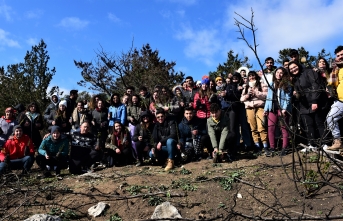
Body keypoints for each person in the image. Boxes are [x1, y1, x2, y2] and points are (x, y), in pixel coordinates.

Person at [289, 61, 327, 151]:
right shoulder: (295, 79)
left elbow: (316, 85)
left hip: (315, 101)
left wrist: (315, 101)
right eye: (291, 69)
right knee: (308, 125)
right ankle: (312, 144)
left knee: (319, 123)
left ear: (298, 65)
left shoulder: (309, 72)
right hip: (304, 105)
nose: (293, 69)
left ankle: (325, 143)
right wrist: (296, 93)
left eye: (294, 67)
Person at [264, 67, 293, 156]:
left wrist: (284, 109)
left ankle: (285, 147)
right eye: (277, 72)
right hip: (272, 109)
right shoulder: (272, 84)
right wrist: (266, 109)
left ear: (284, 75)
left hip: (282, 109)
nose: (279, 74)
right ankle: (272, 147)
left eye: (281, 73)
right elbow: (268, 97)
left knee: (284, 128)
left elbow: (288, 98)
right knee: (270, 127)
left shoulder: (287, 84)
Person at [240, 71, 268, 154]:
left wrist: (256, 93)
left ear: (256, 76)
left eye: (253, 76)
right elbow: (241, 99)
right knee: (253, 128)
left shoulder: (262, 84)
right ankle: (257, 146)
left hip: (259, 107)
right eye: (250, 76)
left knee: (261, 127)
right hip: (249, 108)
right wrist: (247, 95)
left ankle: (265, 145)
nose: (251, 78)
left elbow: (266, 95)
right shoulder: (246, 87)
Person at [225, 73, 252, 150]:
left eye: (237, 78)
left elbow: (245, 96)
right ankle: (236, 144)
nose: (235, 79)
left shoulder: (244, 85)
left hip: (242, 107)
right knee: (234, 127)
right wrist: (236, 91)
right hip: (233, 108)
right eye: (233, 78)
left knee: (244, 126)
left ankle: (247, 144)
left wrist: (241, 90)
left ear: (239, 78)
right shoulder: (229, 86)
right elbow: (228, 97)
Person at [325, 46, 343, 152]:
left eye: (342, 54)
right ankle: (337, 141)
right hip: (340, 100)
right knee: (330, 118)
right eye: (338, 55)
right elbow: (330, 83)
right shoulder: (337, 69)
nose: (340, 57)